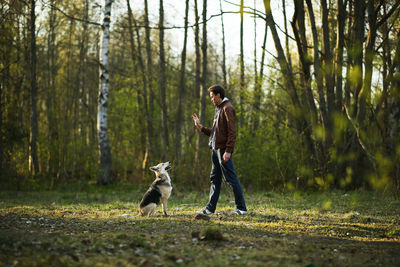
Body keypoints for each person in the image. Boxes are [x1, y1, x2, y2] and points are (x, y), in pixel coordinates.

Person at [191, 84, 247, 215]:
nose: (211, 99)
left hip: (223, 151)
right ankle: (210, 208)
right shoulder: (218, 108)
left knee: (231, 178)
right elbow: (215, 133)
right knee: (214, 179)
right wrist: (200, 127)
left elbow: (232, 132)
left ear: (218, 95)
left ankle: (241, 209)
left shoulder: (228, 108)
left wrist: (228, 150)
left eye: (212, 97)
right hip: (215, 150)